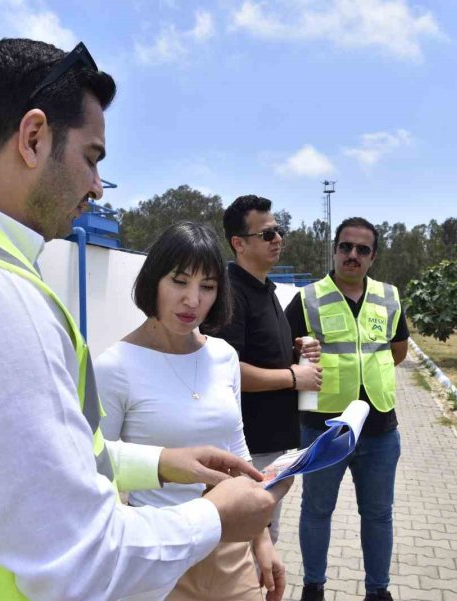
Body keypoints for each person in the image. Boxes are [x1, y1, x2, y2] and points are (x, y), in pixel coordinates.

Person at [0, 39, 283, 601]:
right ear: (33, 137)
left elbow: (24, 459)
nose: (95, 186)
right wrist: (214, 518)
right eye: (91, 158)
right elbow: (78, 561)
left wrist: (159, 464)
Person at [97, 221, 287, 601]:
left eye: (208, 286)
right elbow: (98, 471)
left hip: (230, 551)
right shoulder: (114, 366)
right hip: (157, 556)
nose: (193, 300)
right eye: (179, 281)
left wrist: (261, 537)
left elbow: (237, 451)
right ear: (153, 281)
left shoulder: (224, 356)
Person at [284, 217, 409, 601]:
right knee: (316, 511)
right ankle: (314, 587)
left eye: (362, 249)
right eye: (345, 247)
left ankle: (377, 591)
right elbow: (285, 352)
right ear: (335, 249)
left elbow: (398, 348)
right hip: (324, 429)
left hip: (380, 427)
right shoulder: (307, 298)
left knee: (378, 514)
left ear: (373, 257)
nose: (352, 255)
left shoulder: (388, 297)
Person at [206, 195, 322, 543]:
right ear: (239, 243)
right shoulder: (230, 294)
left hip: (274, 442)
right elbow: (226, 369)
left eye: (278, 231)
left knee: (265, 540)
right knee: (247, 547)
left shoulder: (265, 289)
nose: (278, 239)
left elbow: (261, 353)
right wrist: (292, 377)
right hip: (248, 448)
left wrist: (296, 350)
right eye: (267, 234)